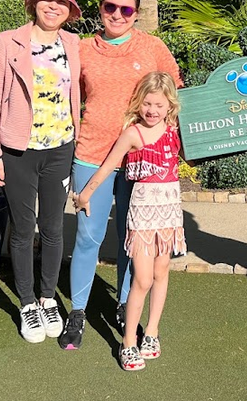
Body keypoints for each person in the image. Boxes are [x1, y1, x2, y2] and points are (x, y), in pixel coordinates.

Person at [59, 0, 184, 350]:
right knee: (87, 237)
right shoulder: (81, 49)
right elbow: (62, 97)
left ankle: (125, 303)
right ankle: (78, 312)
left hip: (141, 165)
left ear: (136, 13)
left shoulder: (152, 47)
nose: (117, 15)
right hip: (92, 153)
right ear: (100, 8)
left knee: (132, 241)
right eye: (110, 7)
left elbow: (176, 95)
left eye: (126, 10)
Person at [0, 0, 82, 343]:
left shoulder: (73, 45)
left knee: (53, 229)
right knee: (23, 231)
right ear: (34, 2)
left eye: (61, 1)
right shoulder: (7, 43)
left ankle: (47, 298)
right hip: (17, 152)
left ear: (69, 10)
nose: (53, 6)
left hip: (61, 150)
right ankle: (26, 304)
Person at [72, 71, 186, 371]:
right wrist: (86, 194)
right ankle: (128, 342)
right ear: (139, 103)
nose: (152, 110)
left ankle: (152, 332)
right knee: (143, 278)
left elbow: (196, 153)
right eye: (147, 103)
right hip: (143, 214)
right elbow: (108, 165)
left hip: (169, 211)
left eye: (159, 105)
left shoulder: (175, 131)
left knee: (162, 272)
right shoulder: (133, 133)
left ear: (169, 106)